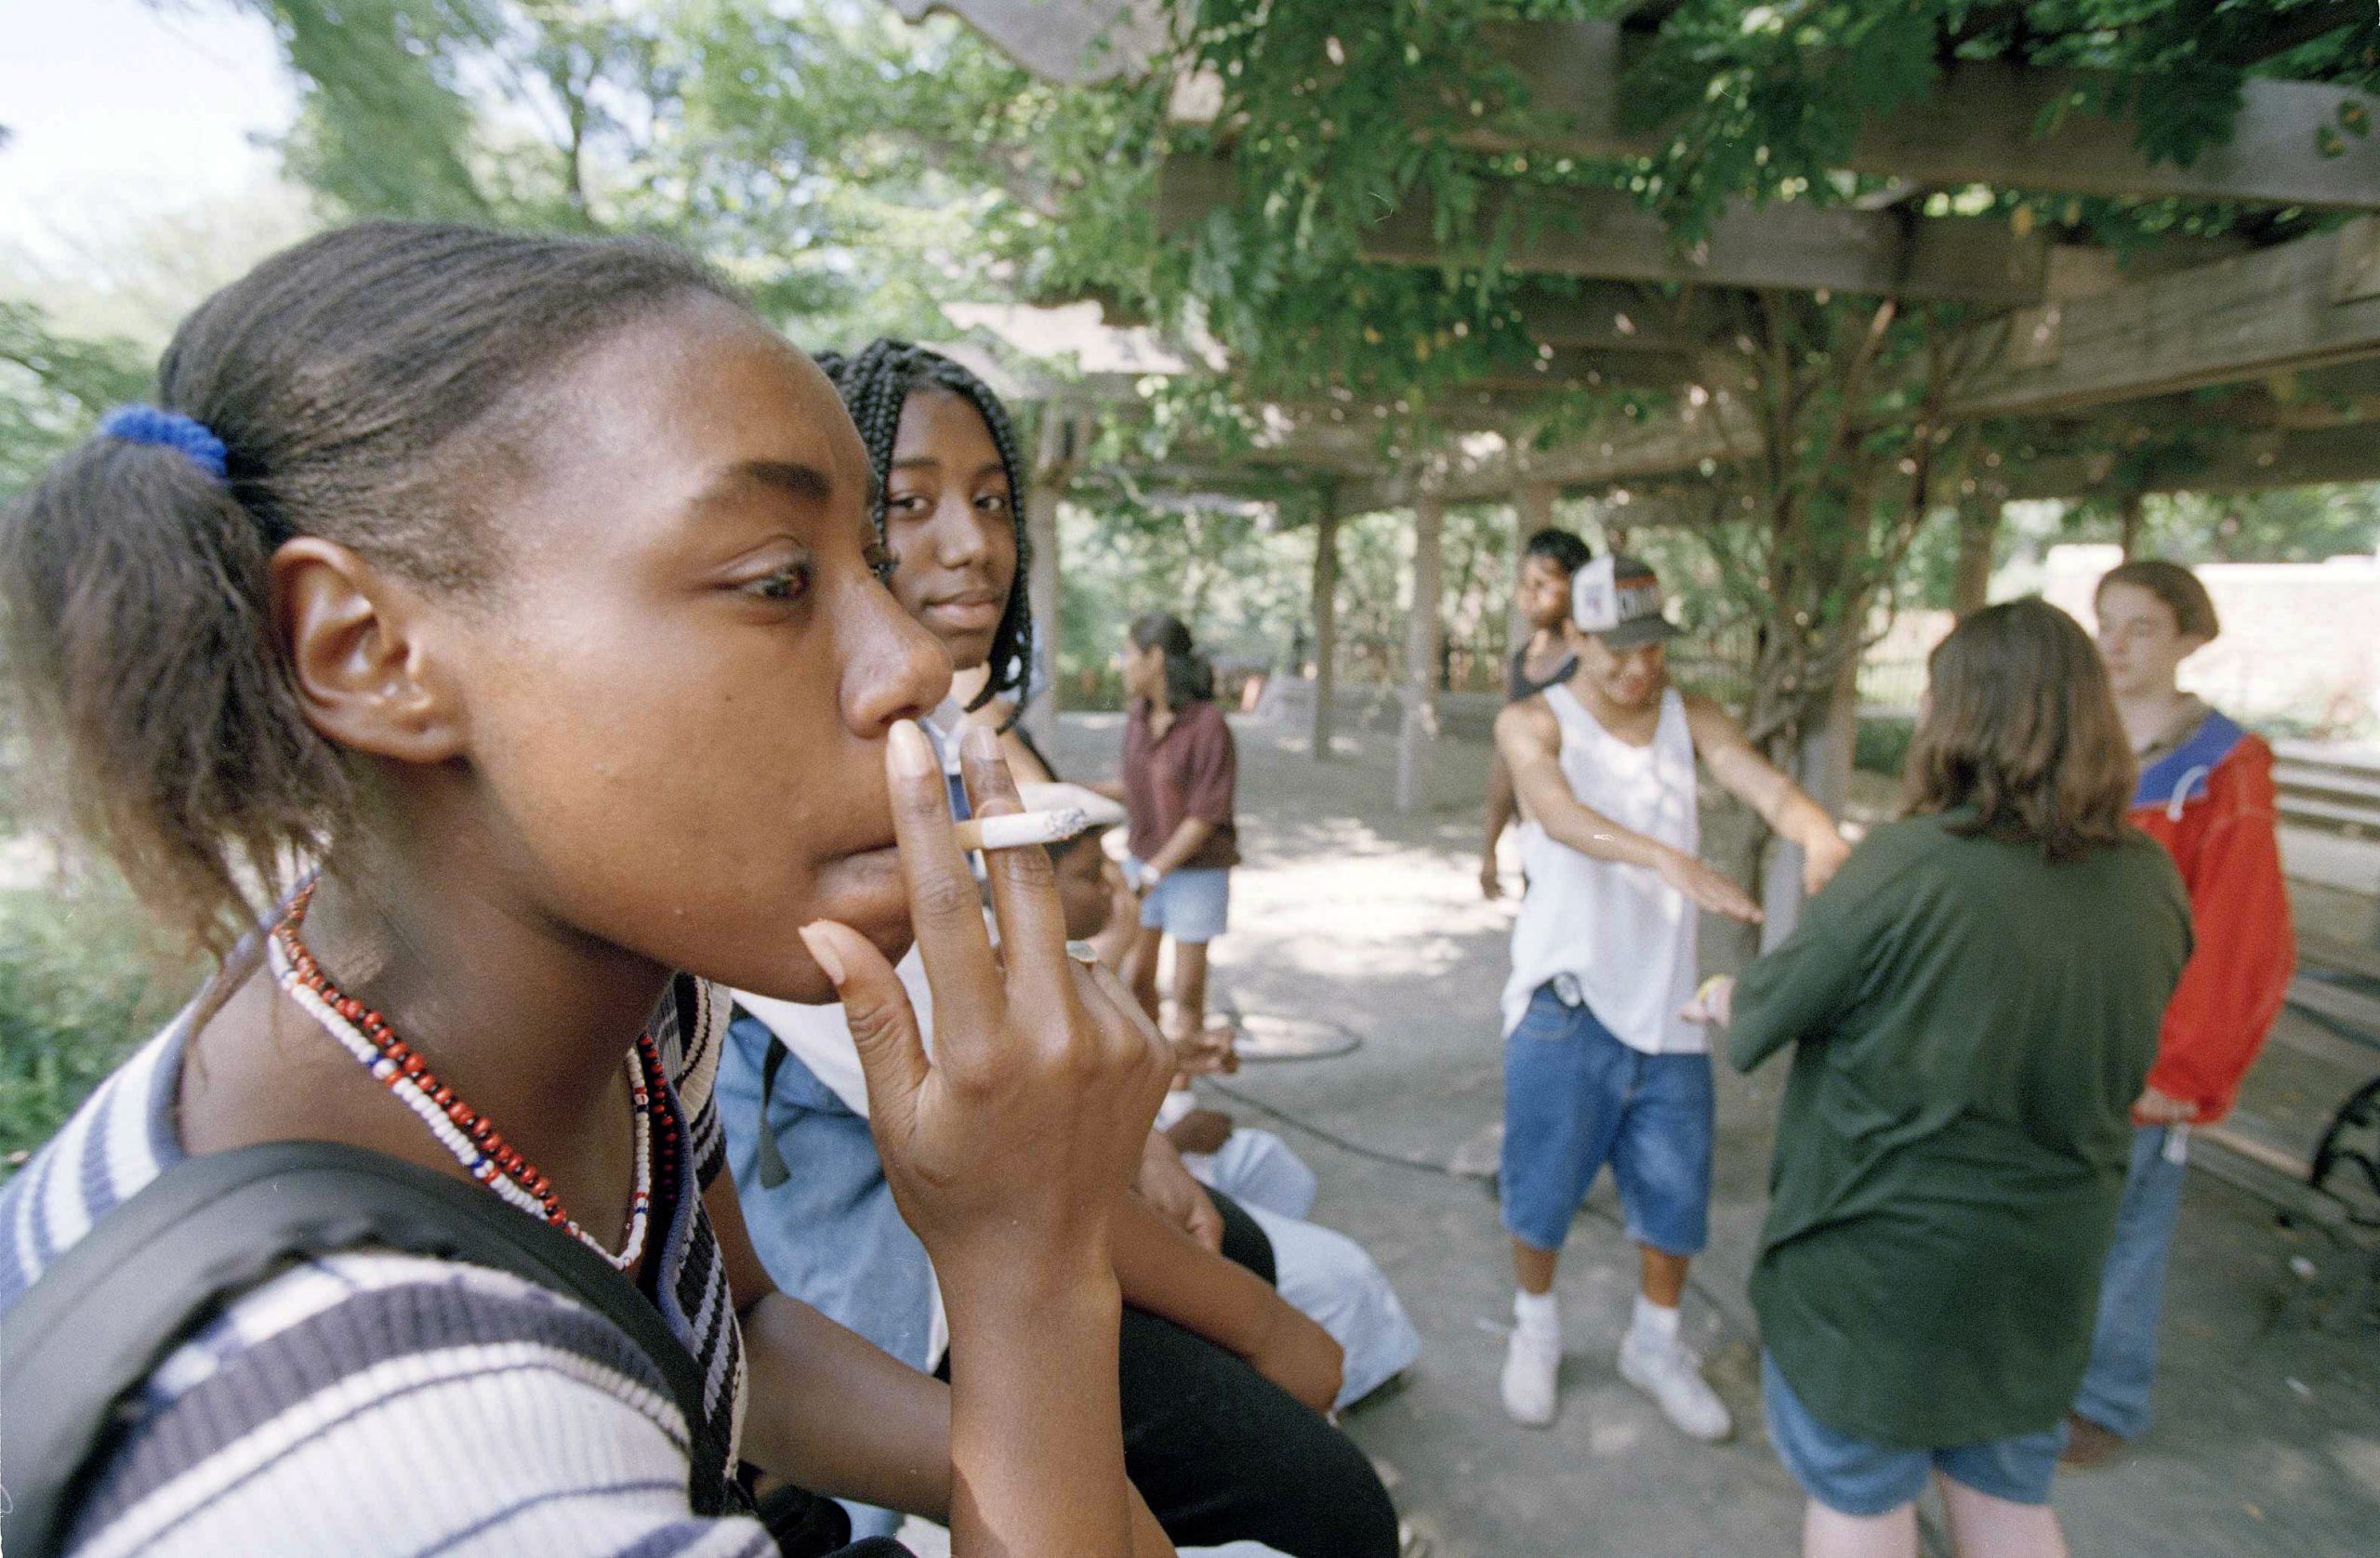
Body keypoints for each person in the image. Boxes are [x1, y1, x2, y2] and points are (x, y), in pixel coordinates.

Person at [0, 222, 1186, 1557]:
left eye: (869, 561)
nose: (912, 660)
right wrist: (1033, 1271)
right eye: (777, 582)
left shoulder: (626, 1003)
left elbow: (735, 1332)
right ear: (368, 652)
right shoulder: (378, 1459)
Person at [717, 341, 1397, 1558]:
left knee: (1242, 1254)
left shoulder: (956, 725)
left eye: (989, 502)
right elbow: (1007, 1152)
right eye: (908, 503)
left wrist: (1143, 1133)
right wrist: (1251, 1324)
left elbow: (1053, 1030)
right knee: (1325, 1499)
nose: (971, 544)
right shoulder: (832, 791)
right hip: (929, 1283)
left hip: (1018, 1212)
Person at [1691, 599, 2191, 1558]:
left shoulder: (1909, 864)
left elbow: (1766, 1008)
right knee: (2005, 1496)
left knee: (1859, 1497)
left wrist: (1721, 991)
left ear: (1957, 715)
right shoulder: (2148, 877)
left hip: (1881, 1271)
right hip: (2044, 1264)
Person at [1491, 553, 1850, 1436]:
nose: (1638, 668)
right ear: (1574, 635)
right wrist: (1663, 855)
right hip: (1564, 1005)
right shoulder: (1534, 720)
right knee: (1541, 1191)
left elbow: (1760, 781)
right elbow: (1552, 810)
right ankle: (1534, 1329)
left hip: (1669, 1012)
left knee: (1675, 1202)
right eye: (1616, 649)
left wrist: (1817, 834)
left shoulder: (1692, 716)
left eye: (1651, 647)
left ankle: (1654, 1343)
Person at [1049, 800, 1422, 1412]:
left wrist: (1179, 1058)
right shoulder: (1033, 975)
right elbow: (1084, 1129)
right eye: (1093, 875)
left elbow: (1118, 1055)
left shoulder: (1087, 954)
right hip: (1126, 1183)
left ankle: (1271, 1318)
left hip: (1151, 1149)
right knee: (1341, 1273)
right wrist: (1173, 1140)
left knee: (1276, 1165)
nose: (1114, 886)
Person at [2067, 560, 2295, 1466]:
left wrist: (2182, 1066)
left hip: (2142, 1039)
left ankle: (2103, 1397)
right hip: (2055, 1024)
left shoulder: (2222, 765)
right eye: (2104, 624)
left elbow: (2241, 929)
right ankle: (2023, 1376)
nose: (2115, 645)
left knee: (2125, 1221)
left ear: (2190, 638)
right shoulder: (2073, 739)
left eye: (2142, 628)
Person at [1117, 613, 1241, 1046]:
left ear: (1154, 659)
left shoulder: (1208, 726)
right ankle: (1152, 1082)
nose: (1122, 664)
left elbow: (1205, 816)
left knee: (1186, 992)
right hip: (1143, 863)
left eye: (1128, 654)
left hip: (1195, 872)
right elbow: (1139, 787)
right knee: (1136, 980)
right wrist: (1069, 793)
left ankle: (1182, 1087)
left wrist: (1152, 874)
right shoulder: (1138, 717)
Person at [1480, 528, 1592, 900]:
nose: (1528, 596)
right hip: (1537, 839)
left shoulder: (1593, 663)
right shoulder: (1520, 663)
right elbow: (1505, 763)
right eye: (1524, 584)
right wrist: (1490, 848)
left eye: (1542, 584)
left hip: (1592, 835)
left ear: (1574, 587)